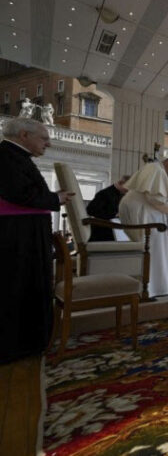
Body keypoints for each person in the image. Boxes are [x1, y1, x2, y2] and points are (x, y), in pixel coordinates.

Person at [0, 118, 73, 453]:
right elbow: (24, 195)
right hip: (17, 240)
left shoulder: (18, 158)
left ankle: (28, 338)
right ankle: (21, 341)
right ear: (23, 135)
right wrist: (56, 197)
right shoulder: (7, 157)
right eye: (44, 138)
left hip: (24, 236)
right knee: (19, 290)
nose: (48, 143)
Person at [119, 158, 168, 299]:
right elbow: (155, 198)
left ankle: (153, 287)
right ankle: (149, 289)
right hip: (142, 213)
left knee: (154, 248)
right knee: (152, 248)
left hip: (142, 210)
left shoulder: (154, 168)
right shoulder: (156, 169)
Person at [86, 175, 130, 241]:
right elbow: (90, 210)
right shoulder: (104, 193)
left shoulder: (120, 194)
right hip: (100, 233)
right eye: (128, 187)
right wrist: (115, 215)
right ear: (121, 183)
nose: (128, 191)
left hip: (110, 229)